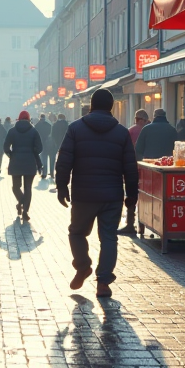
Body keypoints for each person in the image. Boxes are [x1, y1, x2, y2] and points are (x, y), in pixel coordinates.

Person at [55, 89, 138, 298]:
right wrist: (132, 194)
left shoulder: (75, 129)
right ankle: (103, 282)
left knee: (76, 232)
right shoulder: (121, 133)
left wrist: (62, 186)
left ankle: (83, 265)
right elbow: (130, 166)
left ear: (91, 105)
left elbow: (64, 160)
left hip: (84, 194)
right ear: (111, 107)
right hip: (112, 195)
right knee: (109, 238)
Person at [5, 111, 43, 222]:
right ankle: (25, 211)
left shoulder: (12, 131)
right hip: (30, 162)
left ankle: (20, 202)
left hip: (16, 162)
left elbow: (6, 147)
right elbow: (39, 148)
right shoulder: (34, 131)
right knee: (28, 188)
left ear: (18, 119)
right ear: (29, 119)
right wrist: (32, 152)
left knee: (15, 187)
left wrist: (11, 155)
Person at [33, 114, 52, 178]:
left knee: (41, 159)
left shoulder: (37, 126)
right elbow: (50, 135)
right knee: (45, 159)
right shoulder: (49, 125)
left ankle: (41, 171)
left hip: (39, 144)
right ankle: (45, 173)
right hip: (47, 144)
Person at [44, 113, 60, 178]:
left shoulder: (51, 124)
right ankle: (51, 172)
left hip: (50, 144)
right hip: (52, 144)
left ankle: (50, 172)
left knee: (51, 159)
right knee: (52, 158)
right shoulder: (54, 124)